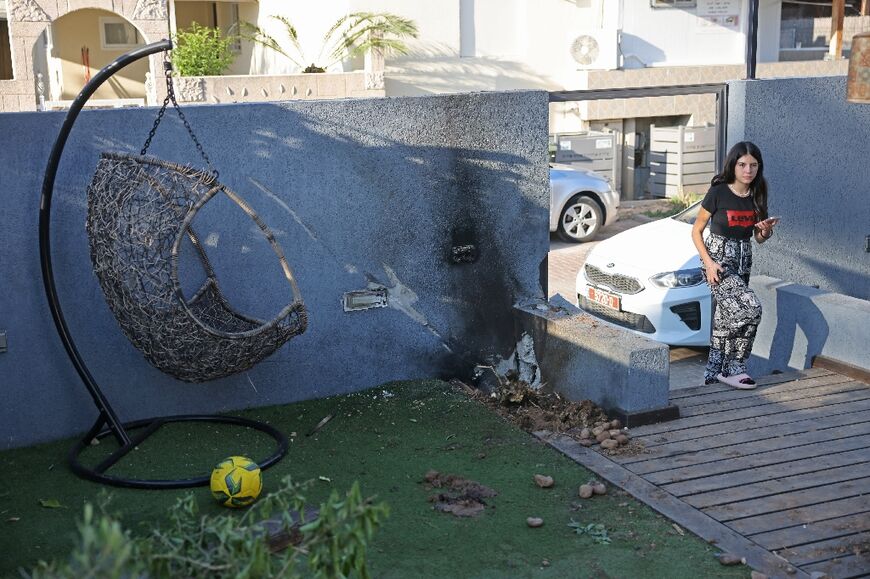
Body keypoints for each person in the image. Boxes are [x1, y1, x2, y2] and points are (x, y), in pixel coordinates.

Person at [691, 141, 777, 389]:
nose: (747, 170)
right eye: (742, 165)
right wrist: (708, 264)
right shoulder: (718, 192)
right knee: (750, 309)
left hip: (744, 259)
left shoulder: (758, 192)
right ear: (733, 165)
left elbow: (758, 239)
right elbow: (696, 231)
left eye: (753, 165)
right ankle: (735, 366)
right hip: (718, 260)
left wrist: (765, 231)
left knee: (724, 317)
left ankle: (713, 375)